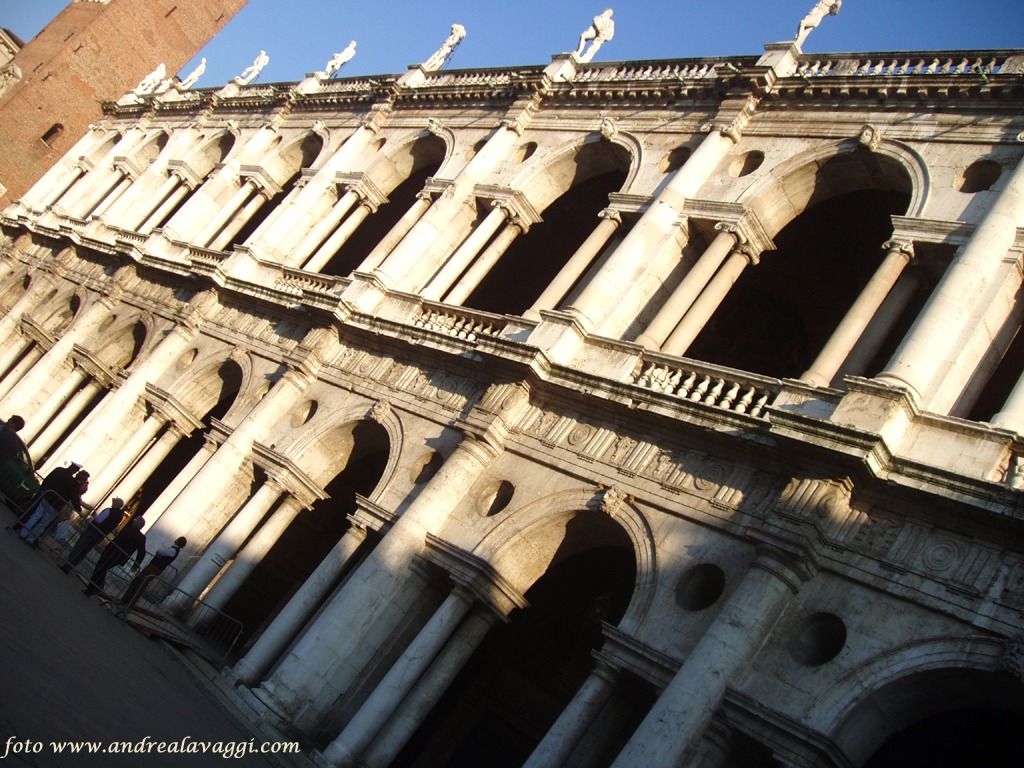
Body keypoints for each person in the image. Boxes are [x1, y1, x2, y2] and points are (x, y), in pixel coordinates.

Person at [19, 465, 89, 547]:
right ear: (81, 480)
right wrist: (79, 510)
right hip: (55, 505)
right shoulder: (75, 487)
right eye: (85, 480)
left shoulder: (67, 478)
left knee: (36, 516)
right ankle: (30, 538)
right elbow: (75, 500)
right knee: (42, 524)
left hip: (47, 498)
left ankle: (23, 533)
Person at [83, 517, 146, 597]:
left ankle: (91, 589)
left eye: (134, 521)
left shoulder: (127, 530)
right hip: (120, 557)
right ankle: (98, 587)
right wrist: (136, 565)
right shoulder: (141, 538)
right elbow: (142, 552)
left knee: (100, 569)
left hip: (111, 552)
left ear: (135, 523)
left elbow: (117, 540)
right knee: (102, 569)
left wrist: (107, 548)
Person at [60, 497, 126, 572]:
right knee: (84, 551)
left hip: (92, 531)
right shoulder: (119, 516)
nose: (112, 503)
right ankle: (72, 566)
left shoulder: (109, 510)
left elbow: (98, 520)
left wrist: (94, 515)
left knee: (79, 547)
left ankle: (68, 564)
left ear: (116, 504)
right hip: (99, 536)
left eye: (114, 502)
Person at [119, 536, 186, 608]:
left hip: (155, 567)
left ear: (177, 541)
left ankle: (129, 601)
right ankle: (127, 600)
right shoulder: (173, 549)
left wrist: (158, 554)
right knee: (138, 582)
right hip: (154, 567)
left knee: (140, 584)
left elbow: (160, 551)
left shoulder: (173, 550)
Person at [0, 416, 35, 506]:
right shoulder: (16, 445)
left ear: (13, 424)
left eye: (9, 421)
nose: (6, 423)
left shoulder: (3, 435)